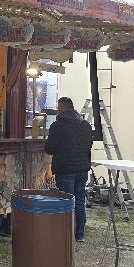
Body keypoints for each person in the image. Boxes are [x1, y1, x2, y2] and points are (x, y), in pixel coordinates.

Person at [44, 96, 94, 242]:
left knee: (66, 202)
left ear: (61, 108)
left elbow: (49, 148)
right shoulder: (85, 125)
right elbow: (89, 145)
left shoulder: (57, 126)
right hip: (82, 169)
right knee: (80, 201)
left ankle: (66, 234)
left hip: (65, 169)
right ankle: (80, 234)